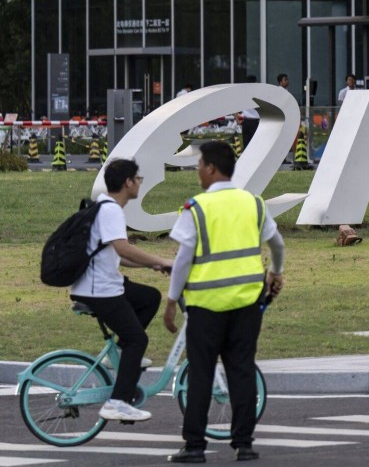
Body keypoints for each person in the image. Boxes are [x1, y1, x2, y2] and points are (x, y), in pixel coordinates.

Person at [163, 141, 285, 464]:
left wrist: (172, 300)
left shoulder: (197, 208)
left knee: (201, 375)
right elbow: (278, 243)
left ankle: (194, 447)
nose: (196, 170)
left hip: (206, 306)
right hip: (247, 303)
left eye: (199, 164)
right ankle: (244, 444)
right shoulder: (254, 203)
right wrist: (275, 272)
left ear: (212, 169)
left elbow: (182, 260)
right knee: (241, 371)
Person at [70, 158, 173, 423]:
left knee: (149, 297)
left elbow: (116, 254)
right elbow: (123, 248)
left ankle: (118, 354)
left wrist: (150, 266)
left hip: (101, 284)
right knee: (138, 340)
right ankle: (117, 402)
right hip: (99, 290)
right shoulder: (111, 210)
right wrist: (159, 260)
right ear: (128, 182)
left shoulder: (104, 206)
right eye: (138, 178)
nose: (139, 182)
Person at [239, 75, 259, 148]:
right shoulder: (256, 93)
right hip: (255, 121)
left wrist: (238, 121)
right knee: (256, 143)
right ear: (255, 82)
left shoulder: (242, 93)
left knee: (246, 143)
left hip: (245, 121)